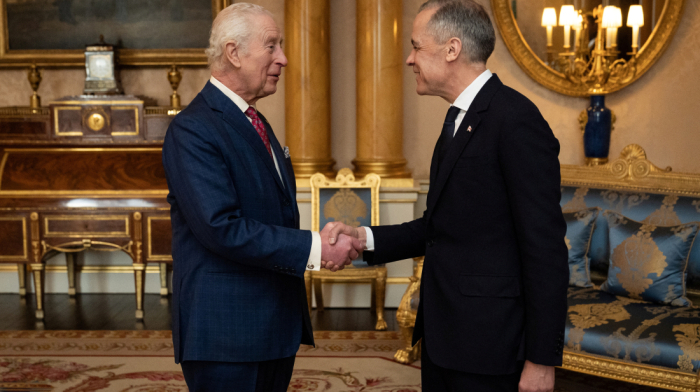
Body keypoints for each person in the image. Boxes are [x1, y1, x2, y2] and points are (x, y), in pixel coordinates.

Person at [326, 1, 569, 391]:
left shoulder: (516, 120)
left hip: (491, 345)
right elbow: (439, 226)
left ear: (452, 49)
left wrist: (541, 359)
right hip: (445, 337)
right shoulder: (458, 118)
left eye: (416, 47)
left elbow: (545, 248)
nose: (408, 59)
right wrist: (363, 238)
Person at [161, 3, 362, 391]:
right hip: (226, 334)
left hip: (271, 324)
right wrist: (316, 247)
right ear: (234, 53)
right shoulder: (193, 130)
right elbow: (221, 227)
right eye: (272, 46)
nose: (283, 59)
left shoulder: (254, 120)